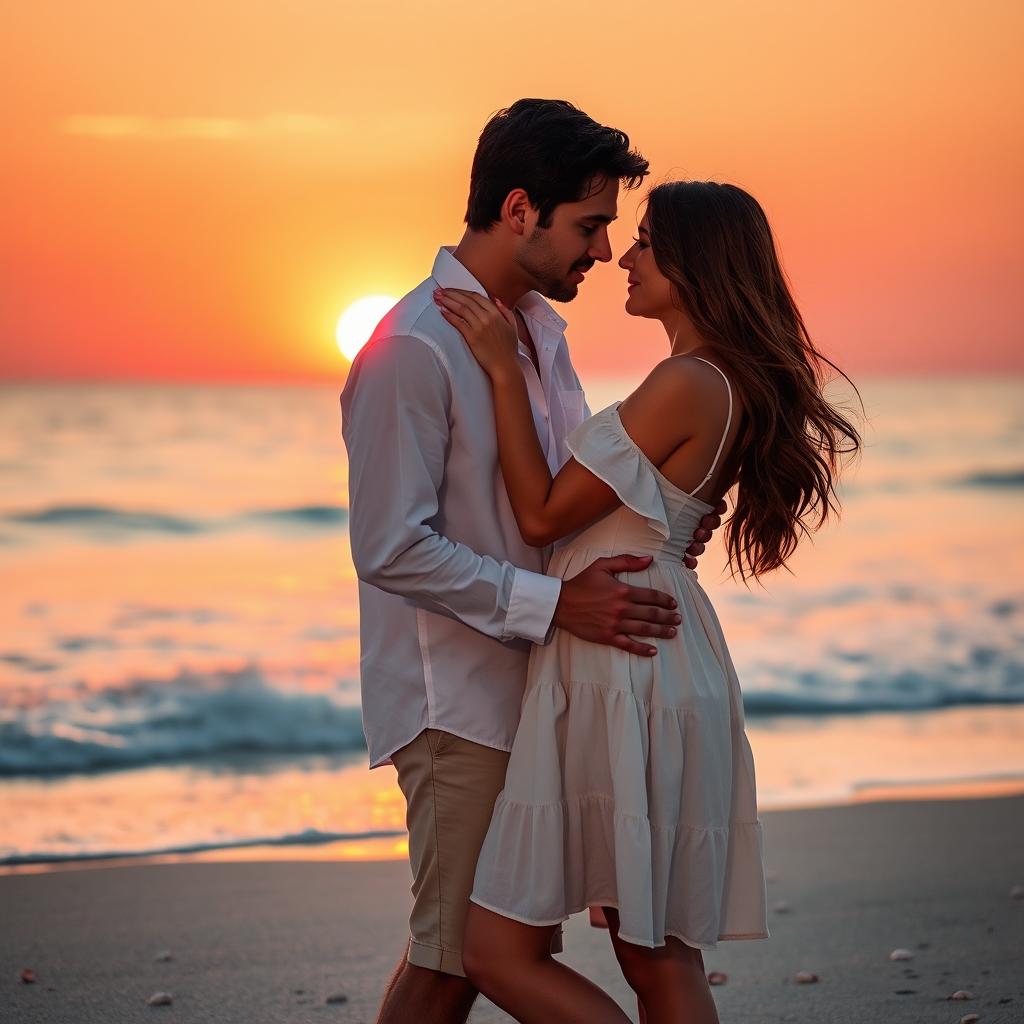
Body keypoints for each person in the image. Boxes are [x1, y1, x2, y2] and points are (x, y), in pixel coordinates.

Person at [435, 179, 863, 1024]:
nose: (621, 257)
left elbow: (542, 513)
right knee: (653, 947)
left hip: (626, 652)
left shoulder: (688, 381)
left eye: (646, 243)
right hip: (649, 643)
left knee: (500, 948)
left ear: (696, 261)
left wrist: (498, 373)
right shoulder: (715, 379)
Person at [340, 100, 724, 1024]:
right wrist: (555, 606)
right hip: (459, 703)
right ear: (521, 211)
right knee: (453, 959)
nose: (602, 251)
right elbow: (388, 545)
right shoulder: (411, 349)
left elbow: (554, 503)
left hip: (544, 689)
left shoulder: (537, 338)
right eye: (590, 226)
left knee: (485, 955)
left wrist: (659, 529)